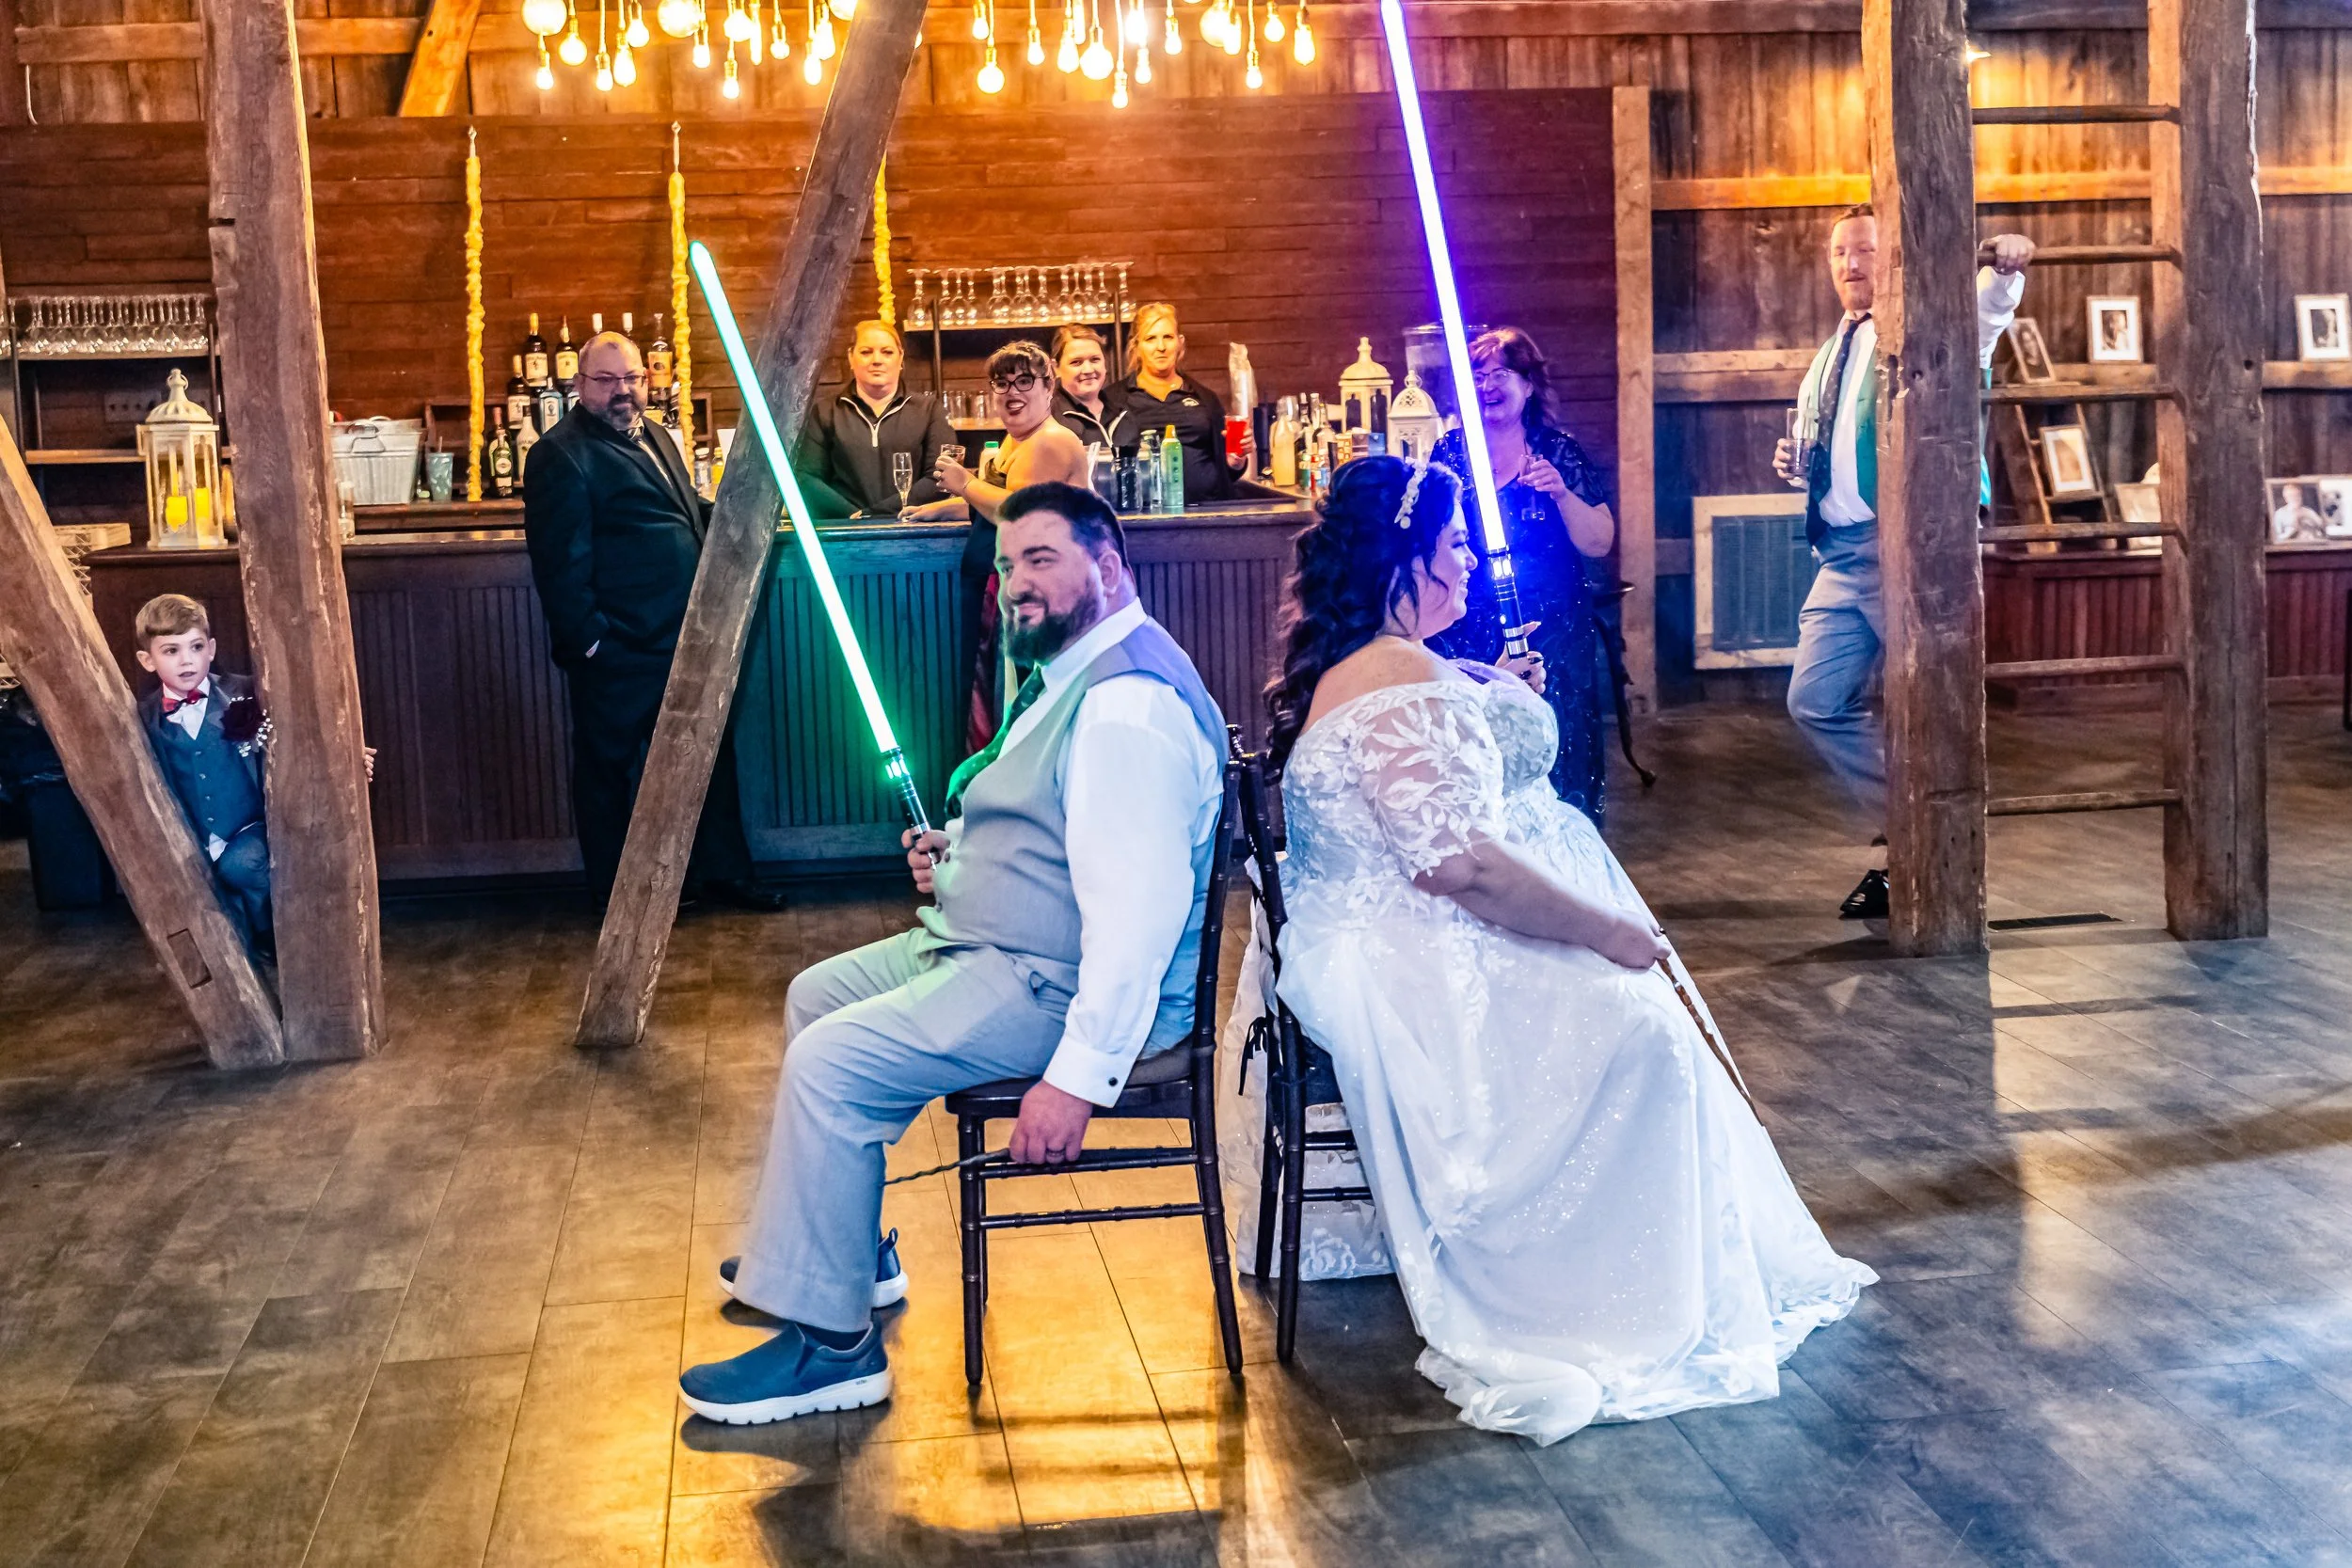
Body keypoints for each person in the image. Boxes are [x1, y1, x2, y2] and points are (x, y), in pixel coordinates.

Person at [1263, 453, 1874, 1445]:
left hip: (1372, 934)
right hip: (1405, 956)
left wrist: (1486, 690)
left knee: (1633, 1014)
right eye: (1452, 545)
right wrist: (1607, 930)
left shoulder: (1376, 664)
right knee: (1644, 1038)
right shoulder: (1396, 681)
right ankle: (1609, 1293)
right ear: (1403, 563)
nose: (1464, 561)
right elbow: (1463, 866)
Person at [678, 483, 1226, 1425]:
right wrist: (963, 857)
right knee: (817, 995)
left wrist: (1078, 1078)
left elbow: (1137, 915)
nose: (1017, 584)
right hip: (1000, 945)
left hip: (1059, 987)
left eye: (1041, 560)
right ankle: (849, 1250)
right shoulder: (1075, 668)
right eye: (1008, 564)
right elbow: (1050, 830)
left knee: (833, 1061)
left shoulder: (1126, 705)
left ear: (1108, 565)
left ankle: (833, 1347)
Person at [1772, 205, 2034, 919]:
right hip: (1843, 551)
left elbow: (1986, 319)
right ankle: (1913, 830)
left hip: (1911, 552)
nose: (1851, 264)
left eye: (1865, 251)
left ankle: (1930, 855)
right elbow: (1820, 450)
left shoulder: (1926, 327)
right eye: (1839, 254)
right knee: (1814, 700)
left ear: (1893, 259)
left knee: (1932, 706)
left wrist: (2005, 267)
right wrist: (1797, 463)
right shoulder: (1830, 352)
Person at [522, 330, 785, 913]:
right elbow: (558, 562)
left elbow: (686, 512)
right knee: (608, 774)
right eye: (607, 380)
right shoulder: (559, 454)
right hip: (617, 647)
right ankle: (618, 900)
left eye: (632, 378)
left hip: (683, 637)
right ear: (579, 385)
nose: (622, 391)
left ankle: (723, 877)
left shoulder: (658, 434)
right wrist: (591, 643)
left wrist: (754, 513)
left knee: (705, 757)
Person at [1424, 326, 1618, 825]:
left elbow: (1599, 541)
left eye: (1501, 373)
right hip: (1466, 624)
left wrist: (1560, 492)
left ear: (1529, 385)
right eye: (1478, 375)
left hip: (1552, 626)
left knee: (1559, 735)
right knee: (1480, 742)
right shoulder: (1449, 451)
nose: (1488, 384)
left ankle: (1568, 855)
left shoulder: (1558, 450)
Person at [903, 341, 1095, 751]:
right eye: (1001, 384)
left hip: (1038, 599)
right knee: (995, 699)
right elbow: (993, 500)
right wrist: (942, 508)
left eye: (1025, 381)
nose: (1012, 393)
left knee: (1021, 704)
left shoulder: (1051, 441)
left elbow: (1017, 510)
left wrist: (966, 483)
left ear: (1049, 387)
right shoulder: (1015, 443)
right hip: (999, 593)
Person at [133, 594, 274, 957]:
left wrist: (351, 757)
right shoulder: (144, 717)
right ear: (147, 660)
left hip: (249, 826)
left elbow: (301, 731)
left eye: (195, 647)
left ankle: (270, 933)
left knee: (243, 866)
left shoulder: (245, 693)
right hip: (193, 832)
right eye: (171, 651)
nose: (186, 660)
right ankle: (234, 946)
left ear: (210, 649)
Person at [794, 319, 958, 518]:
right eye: (866, 352)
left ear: (901, 358)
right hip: (844, 532)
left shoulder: (930, 409)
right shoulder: (825, 411)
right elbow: (806, 478)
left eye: (887, 352)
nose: (877, 360)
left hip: (911, 529)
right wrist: (854, 516)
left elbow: (940, 477)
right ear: (850, 358)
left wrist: (873, 514)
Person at [1114, 302, 1252, 505]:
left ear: (1180, 342)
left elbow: (1228, 471)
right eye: (1151, 338)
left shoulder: (1205, 398)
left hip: (1207, 514)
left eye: (1168, 337)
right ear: (1137, 346)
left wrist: (1235, 461)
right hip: (1143, 517)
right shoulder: (1115, 400)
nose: (1161, 347)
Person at [1049, 324, 1133, 454]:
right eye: (1076, 362)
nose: (1088, 370)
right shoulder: (1047, 417)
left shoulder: (1123, 412)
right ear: (1055, 368)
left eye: (1095, 360)